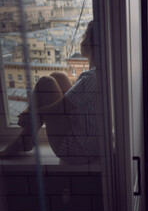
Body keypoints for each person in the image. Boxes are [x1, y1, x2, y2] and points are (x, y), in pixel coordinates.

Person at [0, 21, 99, 164]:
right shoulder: (98, 74)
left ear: (88, 44)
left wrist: (32, 113)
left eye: (84, 36)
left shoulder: (90, 78)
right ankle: (25, 138)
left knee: (46, 82)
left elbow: (59, 109)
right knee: (58, 76)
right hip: (88, 144)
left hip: (77, 151)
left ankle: (23, 140)